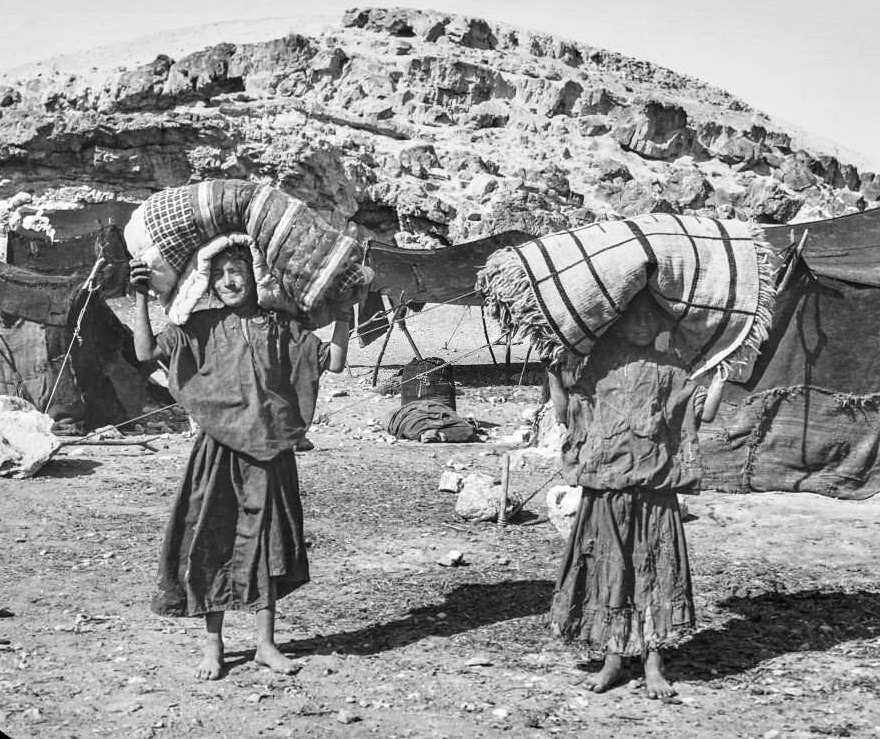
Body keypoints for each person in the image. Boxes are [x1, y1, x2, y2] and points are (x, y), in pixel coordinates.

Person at [129, 239, 351, 680]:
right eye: (220, 274)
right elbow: (144, 353)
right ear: (208, 281)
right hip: (218, 453)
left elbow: (336, 361)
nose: (230, 282)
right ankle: (214, 646)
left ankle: (266, 645)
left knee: (268, 543)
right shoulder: (199, 326)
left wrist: (345, 310)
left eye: (239, 272)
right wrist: (140, 296)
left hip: (269, 453)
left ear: (257, 277)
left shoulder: (281, 326)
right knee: (214, 540)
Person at [548, 290, 724, 700]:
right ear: (618, 322)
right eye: (634, 317)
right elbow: (568, 413)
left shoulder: (672, 371)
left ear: (662, 323)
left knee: (654, 572)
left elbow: (703, 414)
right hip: (606, 490)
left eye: (650, 318)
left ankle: (653, 665)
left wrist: (722, 377)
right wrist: (553, 372)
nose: (642, 325)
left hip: (653, 492)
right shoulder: (598, 368)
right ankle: (612, 660)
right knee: (613, 573)